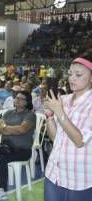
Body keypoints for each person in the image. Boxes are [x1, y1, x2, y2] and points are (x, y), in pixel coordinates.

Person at [44, 56, 92, 201]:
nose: (72, 78)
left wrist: (59, 112)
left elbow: (79, 141)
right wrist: (50, 116)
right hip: (54, 172)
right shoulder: (64, 100)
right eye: (70, 74)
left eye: (78, 75)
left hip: (80, 177)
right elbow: (55, 137)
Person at [0, 91, 36, 201]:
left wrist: (7, 129)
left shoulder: (30, 115)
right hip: (6, 146)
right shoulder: (9, 113)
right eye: (16, 98)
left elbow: (22, 129)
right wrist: (12, 129)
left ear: (27, 102)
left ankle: (2, 190)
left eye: (20, 98)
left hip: (22, 150)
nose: (16, 100)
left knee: (1, 158)